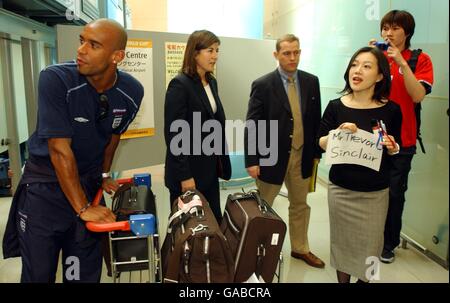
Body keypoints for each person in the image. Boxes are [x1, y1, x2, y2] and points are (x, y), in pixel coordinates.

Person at [2, 19, 144, 282]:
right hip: (45, 189)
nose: (81, 50)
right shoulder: (56, 79)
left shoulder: (132, 91)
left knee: (80, 272)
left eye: (93, 45)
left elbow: (112, 137)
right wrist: (82, 208)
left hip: (88, 184)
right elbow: (59, 150)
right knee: (39, 274)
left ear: (117, 56)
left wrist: (103, 175)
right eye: (81, 41)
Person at [318, 46, 402, 283]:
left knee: (370, 250)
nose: (358, 70)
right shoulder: (336, 106)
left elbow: (395, 148)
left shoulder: (391, 110)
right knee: (342, 246)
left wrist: (393, 147)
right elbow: (321, 142)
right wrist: (337, 134)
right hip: (341, 190)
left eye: (366, 66)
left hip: (374, 194)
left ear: (379, 76)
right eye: (354, 64)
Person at [244, 34, 324, 268]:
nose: (292, 57)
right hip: (272, 157)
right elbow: (253, 124)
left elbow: (315, 119)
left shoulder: (311, 81)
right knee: (264, 207)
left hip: (302, 156)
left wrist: (316, 153)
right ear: (276, 54)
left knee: (301, 204)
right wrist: (252, 159)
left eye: (296, 52)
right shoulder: (263, 84)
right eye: (287, 53)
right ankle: (258, 251)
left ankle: (300, 248)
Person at [370, 10, 434, 263]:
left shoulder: (420, 60)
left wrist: (401, 63)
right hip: (372, 136)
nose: (389, 33)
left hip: (403, 140)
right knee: (369, 190)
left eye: (395, 28)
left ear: (407, 31)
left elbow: (417, 95)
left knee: (394, 194)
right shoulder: (377, 58)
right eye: (385, 28)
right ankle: (368, 237)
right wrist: (369, 60)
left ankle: (388, 243)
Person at [164, 30, 231, 224]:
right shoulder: (180, 85)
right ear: (195, 53)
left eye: (217, 50)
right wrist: (185, 176)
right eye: (210, 50)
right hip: (188, 172)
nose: (215, 56)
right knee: (188, 228)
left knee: (213, 223)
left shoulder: (211, 82)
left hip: (209, 169)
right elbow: (174, 134)